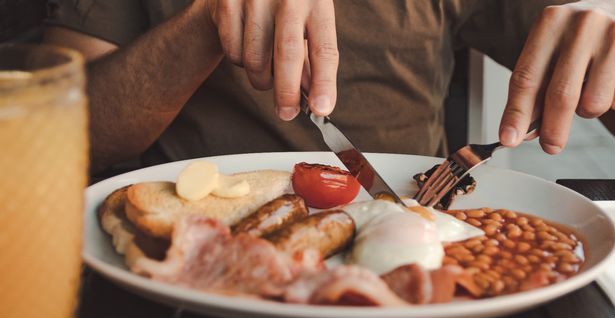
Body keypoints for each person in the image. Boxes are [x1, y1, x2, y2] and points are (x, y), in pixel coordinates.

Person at [44, 0, 615, 173]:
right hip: (179, 283)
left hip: (411, 259)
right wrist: (209, 20)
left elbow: (595, 82)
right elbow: (54, 144)